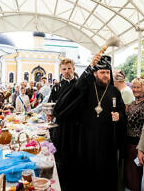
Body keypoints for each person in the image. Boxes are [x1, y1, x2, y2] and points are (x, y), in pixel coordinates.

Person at [57, 54, 127, 191]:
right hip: (87, 142)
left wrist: (119, 116)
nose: (105, 75)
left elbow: (122, 112)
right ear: (95, 73)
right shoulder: (87, 89)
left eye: (107, 72)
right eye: (102, 72)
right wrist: (89, 66)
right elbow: (75, 89)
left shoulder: (115, 91)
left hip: (108, 143)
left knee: (107, 176)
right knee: (88, 176)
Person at [46, 58, 78, 191]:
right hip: (60, 126)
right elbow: (50, 103)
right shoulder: (57, 87)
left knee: (74, 154)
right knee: (60, 153)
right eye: (64, 69)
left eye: (69, 68)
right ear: (60, 70)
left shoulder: (79, 85)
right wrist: (49, 113)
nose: (67, 71)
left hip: (76, 126)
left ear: (74, 69)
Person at [125, 78, 144, 191]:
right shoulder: (133, 102)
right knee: (130, 174)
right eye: (134, 87)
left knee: (137, 174)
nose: (135, 90)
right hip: (129, 142)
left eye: (138, 87)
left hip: (139, 144)